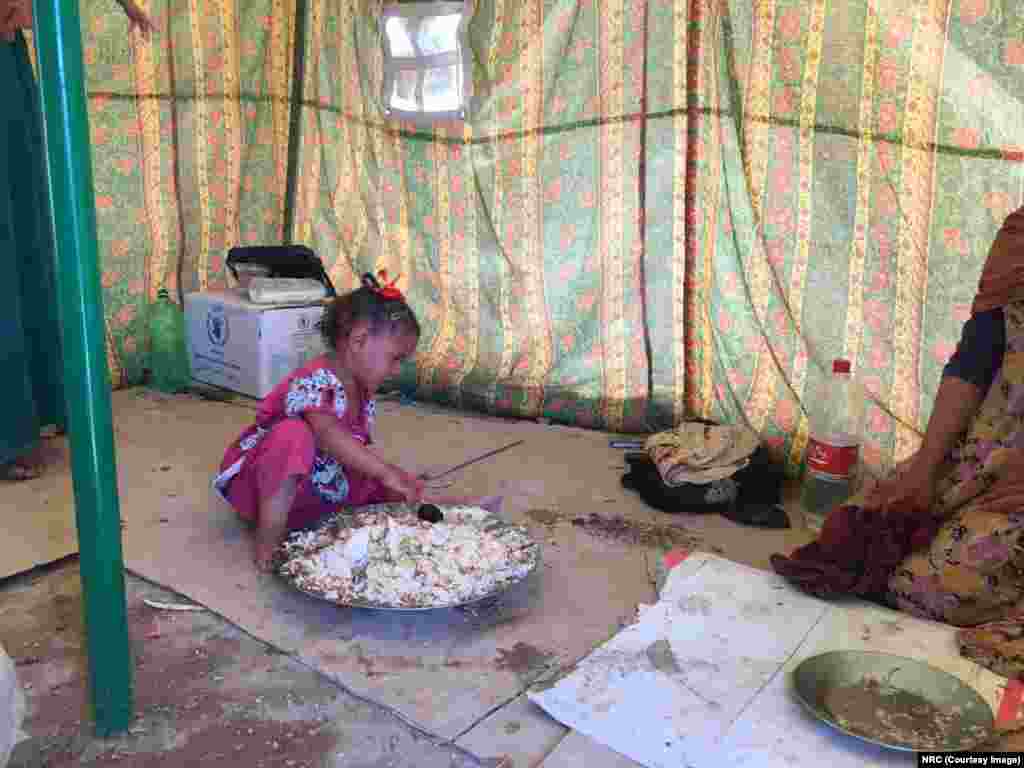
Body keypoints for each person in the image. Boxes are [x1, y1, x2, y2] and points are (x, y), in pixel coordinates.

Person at [772, 203, 1024, 636]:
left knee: (946, 585)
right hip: (990, 449)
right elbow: (975, 359)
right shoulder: (1020, 235)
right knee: (858, 526)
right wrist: (924, 469)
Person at [215, 272, 501, 571]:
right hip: (266, 487)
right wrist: (383, 471)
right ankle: (269, 538)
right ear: (359, 340)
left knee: (385, 483)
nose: (396, 370)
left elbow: (350, 451)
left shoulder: (361, 391)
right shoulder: (316, 380)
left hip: (317, 487)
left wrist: (392, 476)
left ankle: (451, 508)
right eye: (395, 358)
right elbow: (327, 435)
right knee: (293, 436)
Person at [0, 0, 152, 482]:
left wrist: (129, 7)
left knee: (26, 238)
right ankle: (8, 437)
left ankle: (31, 416)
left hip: (9, 71)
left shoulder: (15, 49)